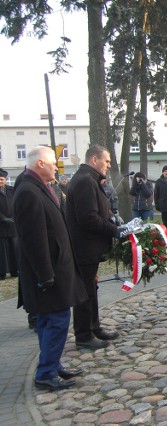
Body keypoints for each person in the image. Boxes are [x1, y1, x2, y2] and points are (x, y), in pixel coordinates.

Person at [13, 146, 87, 390]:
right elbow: (33, 240)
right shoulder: (27, 192)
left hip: (54, 269)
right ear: (40, 165)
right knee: (56, 320)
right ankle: (45, 373)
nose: (57, 167)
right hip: (48, 273)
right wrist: (45, 275)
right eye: (53, 163)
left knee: (49, 320)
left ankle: (51, 365)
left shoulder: (38, 187)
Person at [66, 145, 129, 350]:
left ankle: (94, 327)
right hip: (84, 247)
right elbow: (88, 218)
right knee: (84, 293)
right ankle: (84, 335)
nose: (109, 165)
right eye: (107, 161)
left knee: (91, 289)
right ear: (94, 160)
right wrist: (114, 230)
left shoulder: (89, 179)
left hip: (90, 247)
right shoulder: (85, 180)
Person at [0, 168, 18, 281]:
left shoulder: (12, 190)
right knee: (2, 250)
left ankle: (14, 270)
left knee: (13, 249)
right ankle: (1, 272)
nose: (0, 182)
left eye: (1, 179)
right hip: (1, 226)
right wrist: (3, 218)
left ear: (5, 180)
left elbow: (16, 203)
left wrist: (13, 217)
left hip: (12, 224)